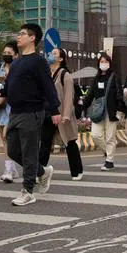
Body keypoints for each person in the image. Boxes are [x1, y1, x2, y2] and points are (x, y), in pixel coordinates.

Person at [3, 23, 61, 207]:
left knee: (29, 153)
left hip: (32, 112)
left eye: (22, 34)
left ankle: (28, 191)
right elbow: (10, 86)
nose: (18, 37)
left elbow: (48, 86)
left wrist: (55, 110)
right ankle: (42, 172)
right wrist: (1, 90)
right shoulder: (17, 61)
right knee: (13, 151)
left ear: (32, 38)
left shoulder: (38, 61)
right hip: (15, 112)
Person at [39, 46, 83, 182]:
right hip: (49, 114)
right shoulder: (47, 73)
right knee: (45, 143)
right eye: (51, 53)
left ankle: (77, 171)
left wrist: (66, 115)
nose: (51, 56)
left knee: (70, 142)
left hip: (63, 114)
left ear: (61, 58)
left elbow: (69, 96)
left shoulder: (65, 75)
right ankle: (40, 171)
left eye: (55, 54)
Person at [0, 41, 21, 183]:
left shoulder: (18, 68)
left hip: (12, 107)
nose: (6, 55)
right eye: (5, 53)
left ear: (16, 55)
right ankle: (12, 168)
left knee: (6, 136)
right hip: (0, 106)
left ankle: (8, 169)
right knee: (4, 138)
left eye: (9, 53)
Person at [82, 53, 122, 168]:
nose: (103, 64)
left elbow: (119, 94)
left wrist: (120, 110)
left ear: (110, 63)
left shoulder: (114, 77)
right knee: (95, 135)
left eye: (106, 61)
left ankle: (109, 161)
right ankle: (107, 151)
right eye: (101, 62)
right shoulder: (96, 78)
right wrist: (84, 107)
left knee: (110, 137)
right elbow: (90, 95)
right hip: (98, 111)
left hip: (111, 111)